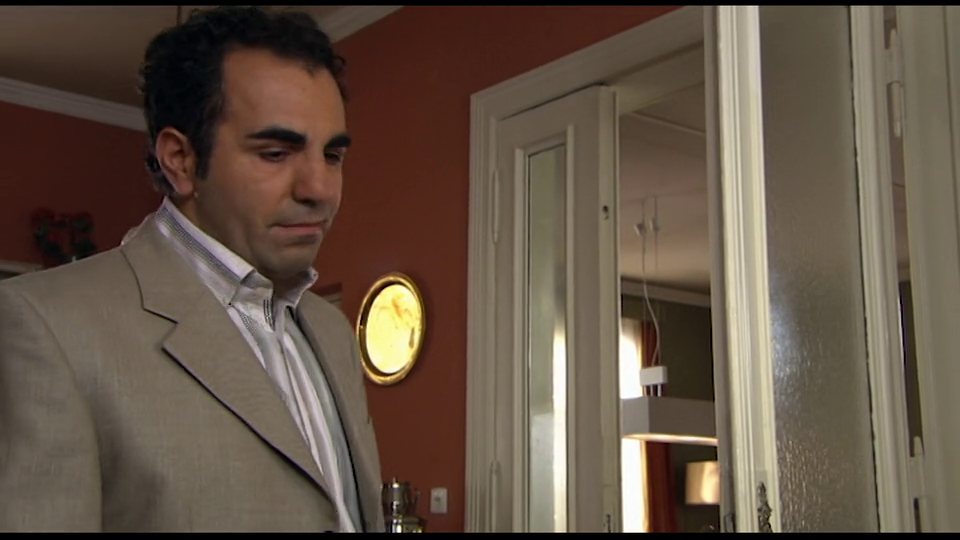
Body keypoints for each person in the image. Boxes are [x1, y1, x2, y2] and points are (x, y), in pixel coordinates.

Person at [0, 6, 383, 533]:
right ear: (180, 159)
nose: (319, 188)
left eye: (333, 156)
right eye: (275, 153)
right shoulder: (49, 327)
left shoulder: (332, 332)